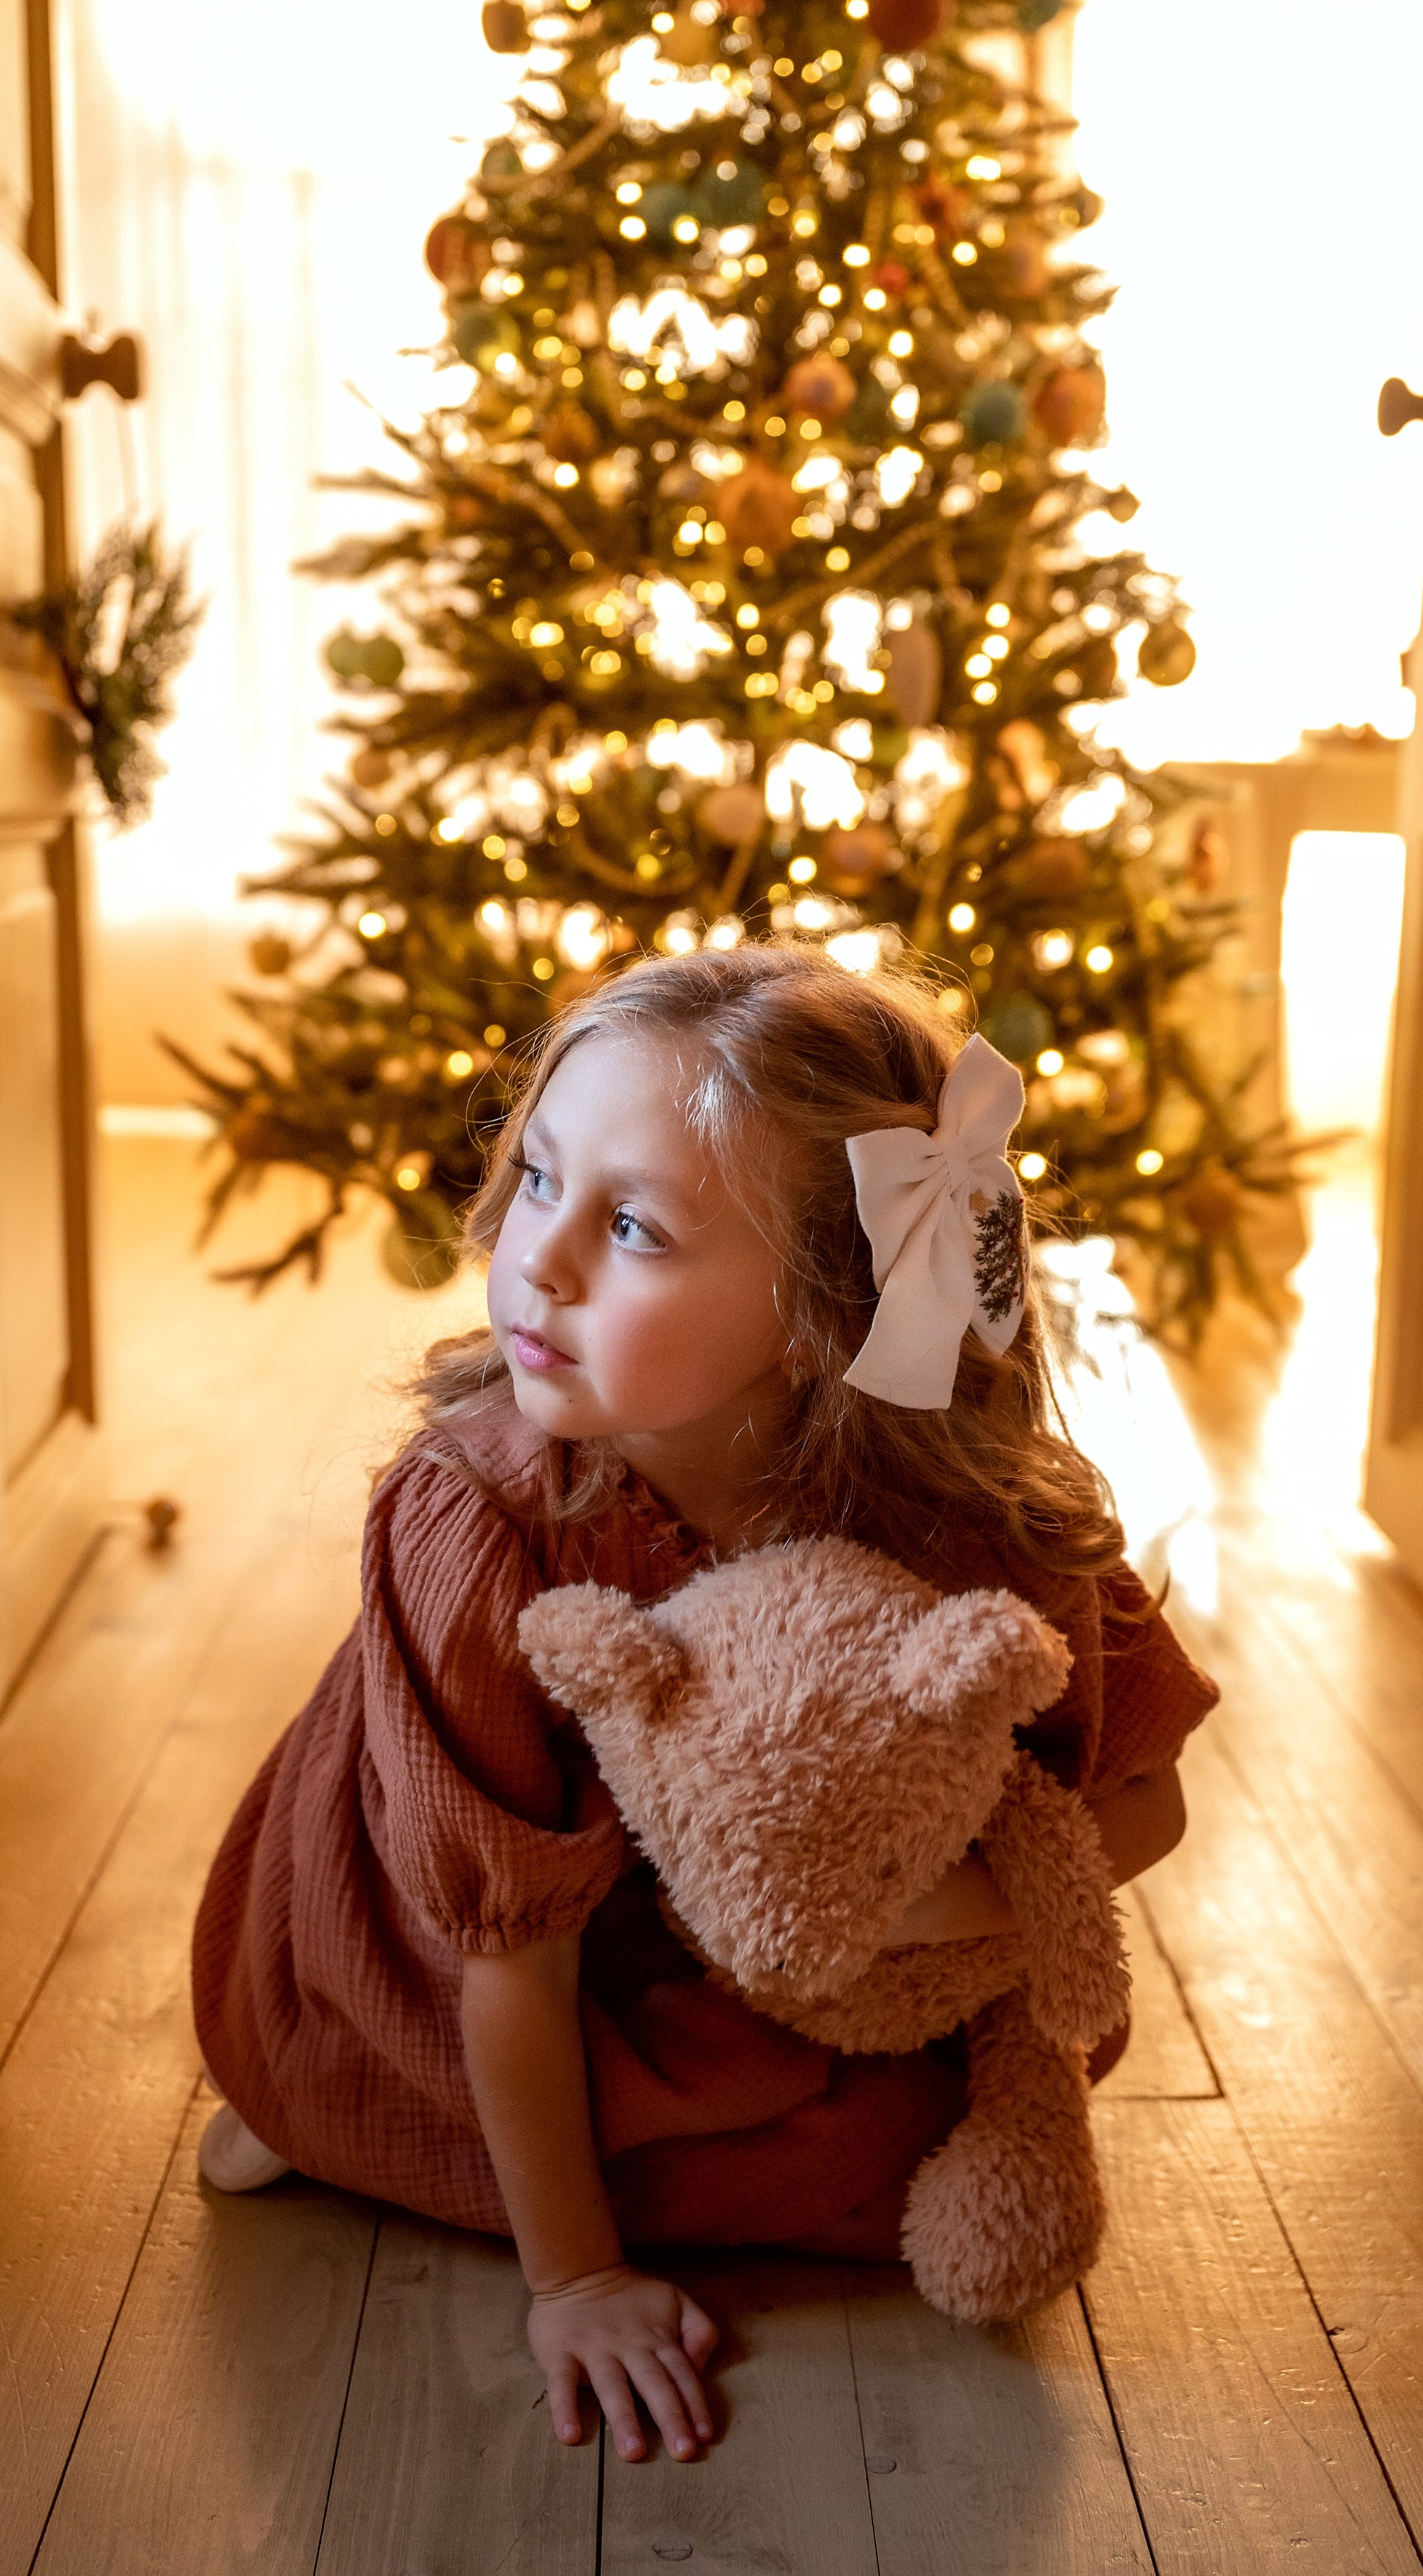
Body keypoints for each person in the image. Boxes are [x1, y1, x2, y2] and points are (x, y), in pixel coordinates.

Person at [191, 943, 1216, 2466]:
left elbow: (1141, 1798)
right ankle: (337, 2100)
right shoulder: (474, 1514)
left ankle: (494, 2144)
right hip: (481, 1965)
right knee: (393, 2077)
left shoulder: (972, 1522)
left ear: (818, 1313)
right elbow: (506, 1957)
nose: (538, 1261)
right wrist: (578, 2279)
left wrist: (911, 1904)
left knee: (901, 2162)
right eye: (537, 1179)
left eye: (630, 1228)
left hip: (795, 1981)